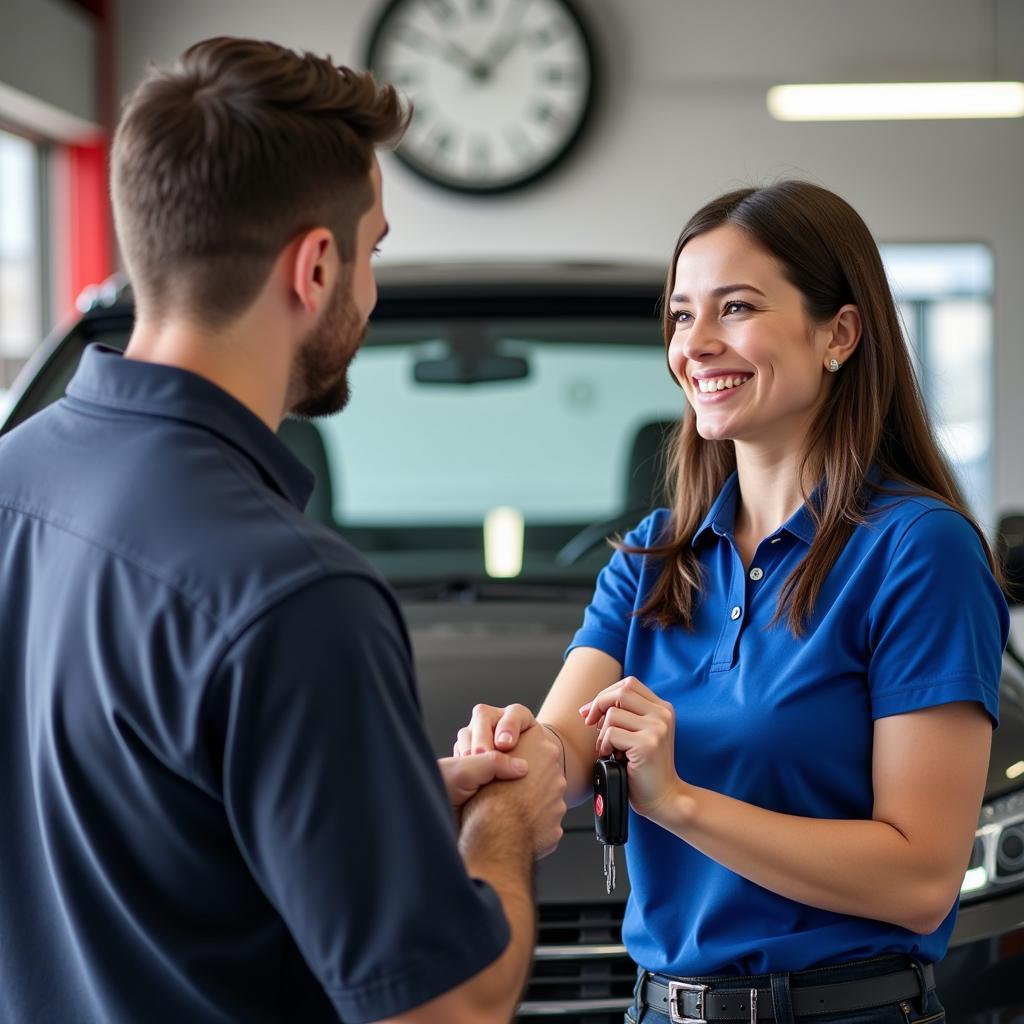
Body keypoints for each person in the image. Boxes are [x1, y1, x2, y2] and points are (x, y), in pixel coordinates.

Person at [0, 37, 566, 1024]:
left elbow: (110, 821)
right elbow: (450, 1011)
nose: (371, 287)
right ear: (314, 265)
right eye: (372, 249)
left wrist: (368, 805)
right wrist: (506, 826)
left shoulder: (13, 485)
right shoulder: (292, 593)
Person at [456, 181, 1009, 1024]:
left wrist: (678, 802)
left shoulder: (918, 553)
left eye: (736, 308)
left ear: (839, 334)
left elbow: (921, 880)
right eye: (680, 316)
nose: (697, 345)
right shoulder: (654, 557)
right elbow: (564, 752)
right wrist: (499, 755)